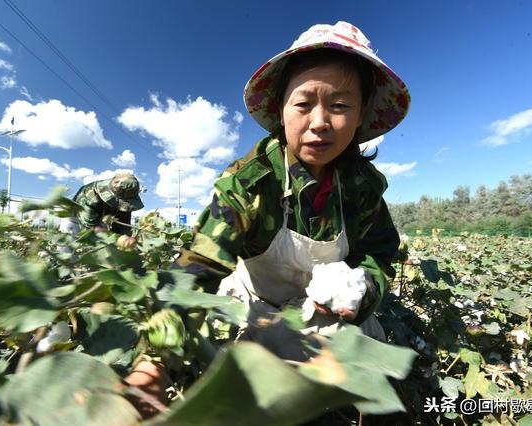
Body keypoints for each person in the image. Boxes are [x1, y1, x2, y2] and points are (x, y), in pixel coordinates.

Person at [128, 20, 410, 416]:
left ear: (362, 115)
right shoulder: (249, 183)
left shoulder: (362, 188)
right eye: (304, 103)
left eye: (340, 105)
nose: (319, 122)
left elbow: (380, 253)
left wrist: (362, 289)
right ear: (281, 110)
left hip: (329, 321)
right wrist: (153, 362)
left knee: (371, 399)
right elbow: (199, 267)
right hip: (254, 311)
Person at [71, 172, 144, 235]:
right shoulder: (90, 195)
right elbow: (90, 227)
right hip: (75, 218)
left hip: (101, 220)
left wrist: (127, 240)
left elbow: (123, 227)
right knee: (71, 241)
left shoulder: (127, 202)